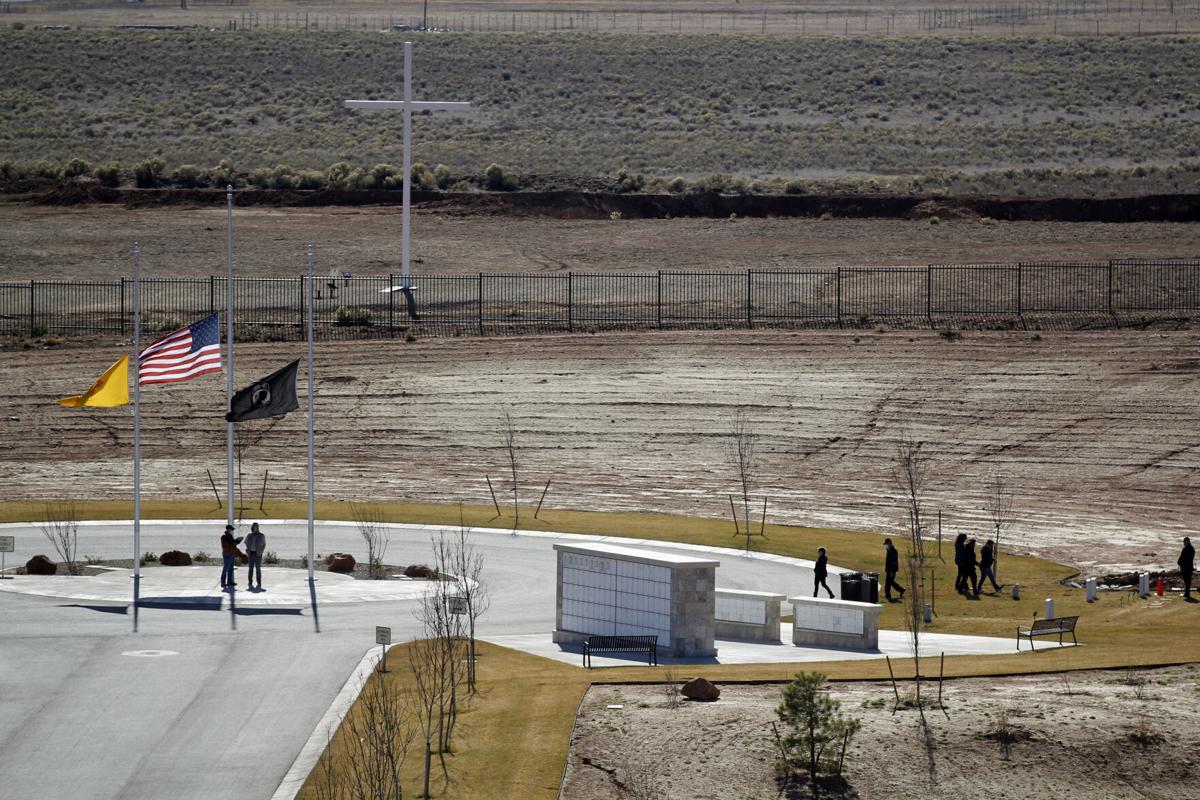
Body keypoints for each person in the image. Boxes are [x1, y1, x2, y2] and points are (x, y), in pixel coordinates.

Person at [219, 524, 244, 589]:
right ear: (228, 529)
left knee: (230, 568)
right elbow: (230, 544)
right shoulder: (224, 537)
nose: (231, 531)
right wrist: (237, 541)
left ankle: (229, 581)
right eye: (231, 529)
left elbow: (233, 543)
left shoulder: (229, 536)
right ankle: (223, 582)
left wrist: (238, 540)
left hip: (231, 553)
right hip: (227, 554)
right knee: (226, 568)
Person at [245, 522, 266, 591]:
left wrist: (261, 552)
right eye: (254, 526)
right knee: (250, 568)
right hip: (251, 553)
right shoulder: (249, 535)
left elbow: (264, 544)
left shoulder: (261, 535)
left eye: (257, 526)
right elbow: (246, 542)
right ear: (252, 527)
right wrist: (247, 550)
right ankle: (250, 582)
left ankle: (259, 582)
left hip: (258, 554)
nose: (256, 528)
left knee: (258, 569)